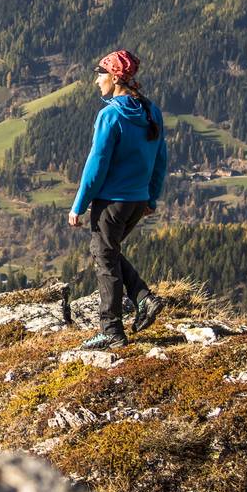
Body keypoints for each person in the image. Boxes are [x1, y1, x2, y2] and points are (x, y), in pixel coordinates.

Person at [68, 49, 169, 349]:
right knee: (107, 252)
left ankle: (111, 330)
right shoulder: (151, 112)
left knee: (105, 261)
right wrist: (152, 196)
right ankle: (145, 299)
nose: (96, 81)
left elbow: (96, 164)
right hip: (137, 201)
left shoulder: (110, 115)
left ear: (114, 77)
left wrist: (79, 204)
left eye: (100, 74)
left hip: (111, 202)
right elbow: (160, 158)